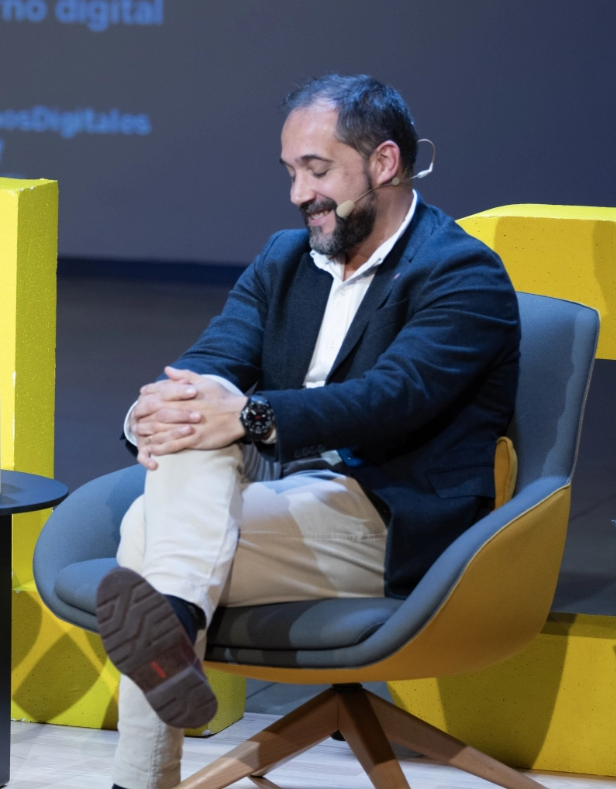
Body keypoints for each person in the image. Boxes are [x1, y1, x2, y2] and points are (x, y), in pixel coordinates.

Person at [96, 74, 521, 789]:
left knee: (148, 532)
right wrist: (158, 409)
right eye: (292, 171)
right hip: (296, 503)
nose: (298, 193)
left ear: (383, 163)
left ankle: (144, 753)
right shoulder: (285, 259)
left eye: (317, 170)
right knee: (203, 428)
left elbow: (393, 398)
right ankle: (170, 624)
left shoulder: (461, 273)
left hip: (389, 525)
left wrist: (252, 418)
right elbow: (213, 359)